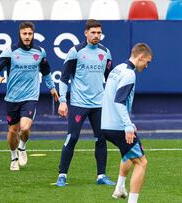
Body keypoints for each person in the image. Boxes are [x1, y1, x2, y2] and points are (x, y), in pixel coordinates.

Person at [0, 21, 59, 171]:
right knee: (13, 131)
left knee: (25, 128)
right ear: (20, 34)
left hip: (30, 97)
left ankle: (22, 147)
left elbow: (46, 72)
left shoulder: (39, 52)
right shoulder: (11, 51)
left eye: (30, 34)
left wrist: (52, 88)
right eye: (24, 34)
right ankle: (13, 156)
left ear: (33, 34)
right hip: (12, 98)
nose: (27, 36)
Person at [56, 19, 114, 187]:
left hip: (99, 104)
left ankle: (101, 176)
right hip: (78, 103)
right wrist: (62, 101)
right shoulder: (76, 51)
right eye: (93, 32)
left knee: (101, 139)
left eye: (99, 33)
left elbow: (110, 79)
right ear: (86, 33)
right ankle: (62, 175)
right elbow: (64, 78)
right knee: (72, 137)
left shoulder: (106, 52)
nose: (96, 36)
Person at [101, 43, 152, 203]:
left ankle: (119, 188)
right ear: (140, 57)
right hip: (118, 126)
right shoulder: (130, 74)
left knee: (128, 153)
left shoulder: (117, 69)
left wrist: (128, 122)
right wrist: (127, 125)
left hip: (106, 124)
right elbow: (119, 101)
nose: (147, 66)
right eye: (147, 62)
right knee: (142, 163)